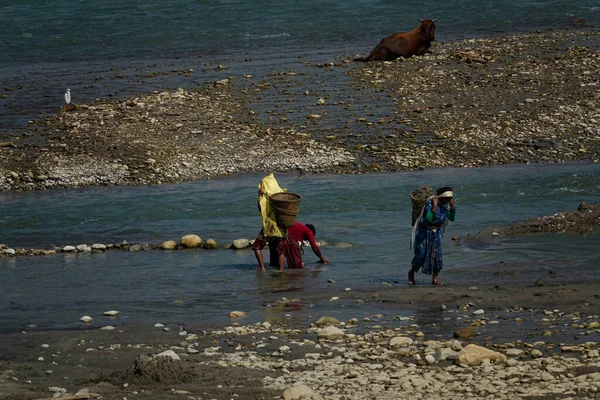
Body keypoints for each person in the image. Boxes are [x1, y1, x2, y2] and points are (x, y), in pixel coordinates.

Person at [409, 186, 455, 286]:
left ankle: (435, 279)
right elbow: (429, 219)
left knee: (436, 255)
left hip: (436, 233)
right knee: (420, 254)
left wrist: (452, 207)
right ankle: (411, 273)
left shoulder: (445, 206)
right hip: (424, 232)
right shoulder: (430, 204)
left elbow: (452, 218)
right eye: (447, 198)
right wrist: (434, 208)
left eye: (450, 199)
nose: (448, 200)